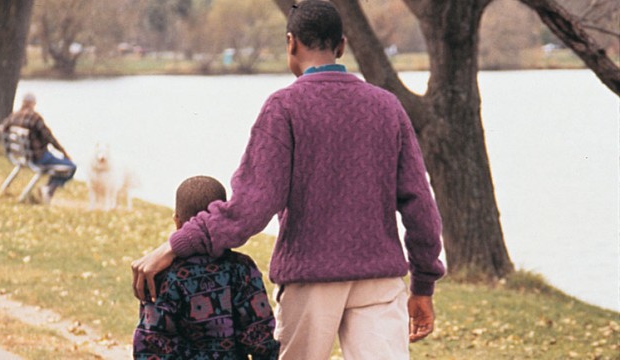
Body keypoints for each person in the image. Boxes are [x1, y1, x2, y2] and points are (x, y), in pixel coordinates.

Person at [132, 1, 445, 358]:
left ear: (291, 42)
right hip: (379, 282)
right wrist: (423, 284)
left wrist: (174, 245)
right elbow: (419, 203)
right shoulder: (387, 106)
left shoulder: (284, 107)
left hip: (311, 281)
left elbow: (250, 208)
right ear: (341, 46)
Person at [133, 176, 279, 360]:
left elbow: (151, 342)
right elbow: (260, 335)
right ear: (224, 221)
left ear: (177, 221)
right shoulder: (241, 269)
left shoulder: (162, 274)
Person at [0, 92, 76, 204]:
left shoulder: (13, 116)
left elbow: (2, 128)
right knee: (71, 167)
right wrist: (64, 152)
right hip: (38, 158)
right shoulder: (35, 118)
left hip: (20, 156)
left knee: (59, 163)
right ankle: (49, 189)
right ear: (32, 104)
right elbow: (50, 138)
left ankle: (46, 190)